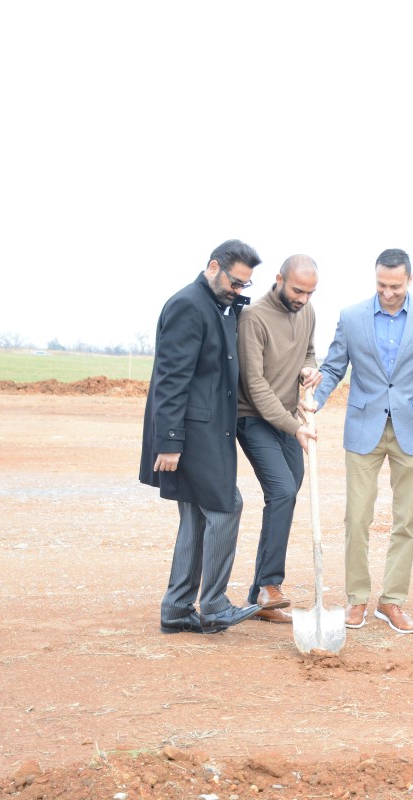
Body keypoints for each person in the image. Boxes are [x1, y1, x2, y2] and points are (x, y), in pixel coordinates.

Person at [313, 248, 413, 634]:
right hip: (364, 429)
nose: (388, 293)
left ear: (409, 280)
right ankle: (356, 598)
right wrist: (314, 402)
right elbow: (333, 367)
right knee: (357, 517)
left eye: (395, 286)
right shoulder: (351, 317)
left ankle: (392, 601)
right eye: (381, 285)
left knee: (405, 520)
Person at [140, 239, 264, 635]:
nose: (238, 290)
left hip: (206, 430)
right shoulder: (188, 306)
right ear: (213, 267)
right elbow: (170, 379)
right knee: (227, 505)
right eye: (235, 281)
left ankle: (177, 609)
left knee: (195, 516)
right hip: (192, 434)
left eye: (245, 284)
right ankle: (213, 605)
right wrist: (169, 441)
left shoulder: (217, 307)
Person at [236, 255, 322, 624]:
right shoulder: (253, 318)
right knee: (283, 491)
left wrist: (309, 369)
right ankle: (270, 585)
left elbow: (309, 352)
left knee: (286, 493)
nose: (303, 298)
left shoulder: (308, 312)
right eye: (298, 290)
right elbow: (255, 385)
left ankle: (260, 597)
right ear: (279, 279)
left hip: (287, 419)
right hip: (253, 419)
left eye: (310, 292)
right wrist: (294, 426)